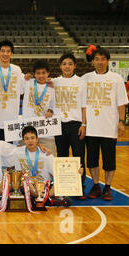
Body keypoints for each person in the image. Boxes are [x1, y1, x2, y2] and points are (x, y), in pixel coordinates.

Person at [82, 46, 128, 201]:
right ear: (93, 62)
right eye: (97, 59)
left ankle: (107, 187)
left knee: (109, 160)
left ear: (108, 61)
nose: (100, 62)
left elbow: (121, 103)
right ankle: (96, 185)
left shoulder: (116, 79)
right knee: (92, 160)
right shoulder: (86, 78)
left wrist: (121, 121)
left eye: (103, 59)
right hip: (91, 127)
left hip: (109, 127)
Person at [0, 126, 82, 199]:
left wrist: (76, 172)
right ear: (23, 140)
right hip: (26, 187)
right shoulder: (17, 152)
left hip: (44, 186)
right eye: (27, 138)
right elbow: (1, 146)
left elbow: (59, 173)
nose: (30, 141)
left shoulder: (46, 154)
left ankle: (44, 196)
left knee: (58, 184)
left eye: (32, 138)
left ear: (37, 139)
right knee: (17, 182)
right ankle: (43, 198)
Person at [53, 52, 87, 199]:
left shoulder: (81, 82)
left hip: (76, 124)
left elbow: (84, 106)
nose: (67, 66)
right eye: (64, 64)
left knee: (79, 157)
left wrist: (84, 124)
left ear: (75, 66)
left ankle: (79, 188)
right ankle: (64, 187)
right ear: (60, 66)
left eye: (70, 64)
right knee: (62, 157)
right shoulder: (54, 82)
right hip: (59, 125)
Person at [22, 59, 56, 154]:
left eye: (43, 73)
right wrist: (26, 76)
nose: (41, 75)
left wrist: (50, 110)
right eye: (38, 73)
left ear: (48, 73)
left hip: (45, 131)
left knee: (49, 158)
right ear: (34, 74)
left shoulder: (52, 87)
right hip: (28, 129)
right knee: (26, 160)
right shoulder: (28, 82)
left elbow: (54, 105)